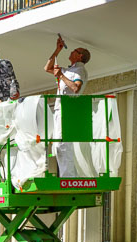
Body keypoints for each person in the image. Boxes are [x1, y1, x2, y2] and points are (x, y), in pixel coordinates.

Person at [44, 37, 91, 177]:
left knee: (62, 145)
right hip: (61, 109)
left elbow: (75, 88)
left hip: (68, 110)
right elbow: (47, 68)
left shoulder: (80, 70)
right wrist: (57, 50)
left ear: (80, 56)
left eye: (75, 51)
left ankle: (68, 176)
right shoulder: (70, 70)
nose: (71, 51)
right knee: (59, 145)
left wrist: (61, 76)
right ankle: (67, 175)